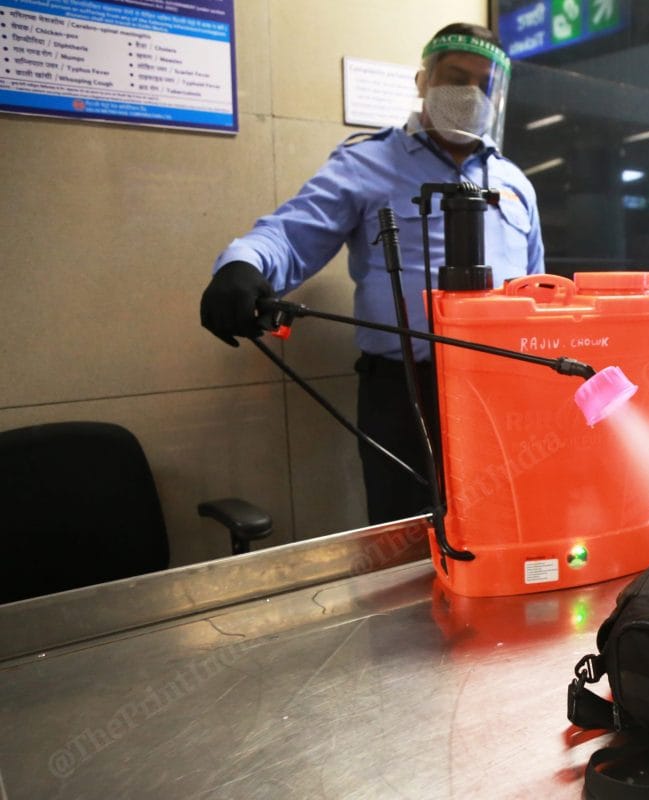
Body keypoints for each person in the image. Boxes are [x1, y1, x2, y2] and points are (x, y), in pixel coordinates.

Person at [200, 23, 545, 525]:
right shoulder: (367, 163)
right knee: (403, 534)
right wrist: (241, 266)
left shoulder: (515, 183)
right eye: (455, 77)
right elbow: (290, 234)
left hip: (503, 390)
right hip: (405, 392)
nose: (470, 94)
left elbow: (539, 290)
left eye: (483, 83)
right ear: (423, 80)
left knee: (504, 523)